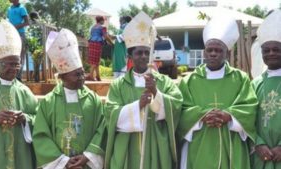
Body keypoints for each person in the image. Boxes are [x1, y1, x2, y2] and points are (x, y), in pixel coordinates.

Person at [104, 11, 183, 169]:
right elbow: (110, 113)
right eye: (139, 52)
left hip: (156, 143)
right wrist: (137, 106)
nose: (143, 56)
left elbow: (177, 106)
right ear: (130, 57)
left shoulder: (164, 82)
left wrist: (156, 93)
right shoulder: (118, 85)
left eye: (147, 52)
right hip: (128, 146)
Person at [178, 15, 258, 169]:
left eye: (218, 50)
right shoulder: (189, 80)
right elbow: (181, 110)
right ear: (204, 53)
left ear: (227, 54)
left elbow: (249, 107)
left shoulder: (240, 78)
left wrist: (229, 116)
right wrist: (202, 115)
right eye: (210, 50)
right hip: (200, 142)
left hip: (231, 142)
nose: (213, 53)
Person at [32, 29, 105, 169]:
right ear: (62, 77)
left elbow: (102, 130)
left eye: (83, 73)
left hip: (86, 164)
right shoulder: (48, 102)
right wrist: (63, 161)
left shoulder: (93, 100)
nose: (82, 78)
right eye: (77, 75)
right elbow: (40, 135)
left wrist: (87, 157)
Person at [0, 20, 37, 169]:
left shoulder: (25, 91)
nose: (14, 69)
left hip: (21, 154)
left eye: (17, 64)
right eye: (9, 64)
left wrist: (25, 119)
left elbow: (41, 121)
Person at [252, 10, 281, 169]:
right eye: (266, 50)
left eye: (276, 49)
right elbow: (247, 118)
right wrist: (258, 144)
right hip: (260, 155)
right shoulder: (255, 84)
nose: (271, 54)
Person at [7, 0, 29, 81]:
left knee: (20, 56)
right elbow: (9, 21)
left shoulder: (22, 8)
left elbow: (27, 22)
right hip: (11, 35)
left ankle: (18, 77)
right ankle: (12, 75)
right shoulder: (9, 9)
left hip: (20, 34)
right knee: (11, 55)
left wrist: (15, 27)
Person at [87, 16, 112, 81]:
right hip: (97, 44)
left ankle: (98, 76)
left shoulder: (93, 27)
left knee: (96, 60)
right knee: (96, 60)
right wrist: (112, 43)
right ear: (101, 20)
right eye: (103, 20)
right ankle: (91, 76)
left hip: (91, 43)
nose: (104, 21)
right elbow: (105, 36)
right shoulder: (103, 27)